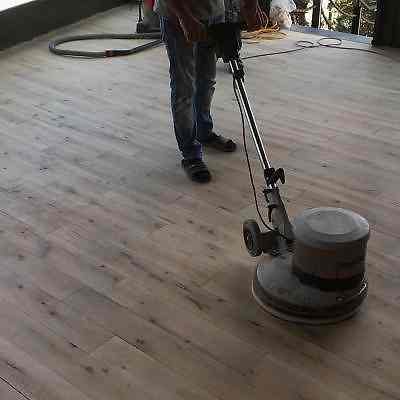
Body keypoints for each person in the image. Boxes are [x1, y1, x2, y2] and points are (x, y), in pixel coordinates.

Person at [156, 0, 267, 183]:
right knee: (184, 87)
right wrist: (185, 17)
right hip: (177, 16)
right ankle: (190, 152)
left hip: (213, 14)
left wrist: (252, 7)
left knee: (206, 81)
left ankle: (204, 132)